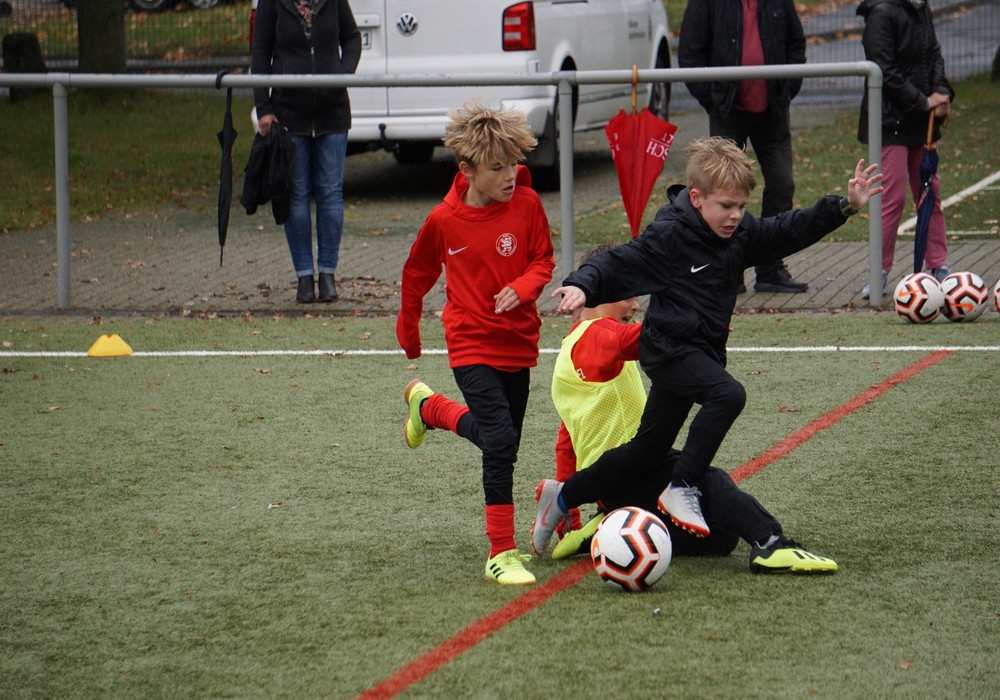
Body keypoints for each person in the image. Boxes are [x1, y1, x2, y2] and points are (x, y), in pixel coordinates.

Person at [532, 137, 882, 549]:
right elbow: (620, 260)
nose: (736, 215)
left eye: (741, 206)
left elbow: (786, 229)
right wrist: (581, 284)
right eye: (726, 206)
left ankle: (563, 496)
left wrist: (842, 207)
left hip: (700, 352)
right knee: (727, 394)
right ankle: (682, 486)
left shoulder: (740, 231)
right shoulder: (670, 235)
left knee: (647, 450)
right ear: (696, 198)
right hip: (668, 350)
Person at [535, 245, 837, 572]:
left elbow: (567, 438)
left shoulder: (572, 346)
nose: (636, 305)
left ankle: (607, 524)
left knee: (721, 538)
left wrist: (569, 510)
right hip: (629, 470)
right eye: (630, 293)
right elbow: (642, 338)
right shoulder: (596, 335)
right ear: (603, 288)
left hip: (612, 484)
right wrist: (697, 323)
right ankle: (771, 544)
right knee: (705, 480)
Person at [396, 100, 555, 586]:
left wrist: (523, 287)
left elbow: (543, 261)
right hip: (469, 343)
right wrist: (409, 330)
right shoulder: (444, 220)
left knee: (499, 440)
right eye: (497, 167)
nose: (510, 175)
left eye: (514, 164)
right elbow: (417, 273)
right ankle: (500, 552)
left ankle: (429, 409)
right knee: (500, 442)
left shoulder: (527, 205)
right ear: (466, 170)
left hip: (517, 343)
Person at [678, 0, 809, 295]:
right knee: (722, 193)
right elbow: (690, 53)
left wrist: (787, 89)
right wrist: (713, 99)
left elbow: (795, 44)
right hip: (728, 112)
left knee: (782, 185)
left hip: (773, 111)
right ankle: (728, 270)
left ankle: (770, 268)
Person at [251, 0, 362, 304]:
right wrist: (263, 107)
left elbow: (352, 38)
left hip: (332, 111)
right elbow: (260, 52)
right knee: (297, 193)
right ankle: (303, 276)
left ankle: (327, 274)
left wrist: (343, 73)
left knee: (330, 192)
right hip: (289, 112)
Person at [857, 0, 954, 299]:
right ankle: (879, 271)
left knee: (929, 192)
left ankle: (938, 265)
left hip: (922, 122)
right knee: (892, 197)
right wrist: (923, 102)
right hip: (891, 122)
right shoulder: (882, 13)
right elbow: (884, 71)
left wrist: (942, 93)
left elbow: (934, 55)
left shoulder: (921, 8)